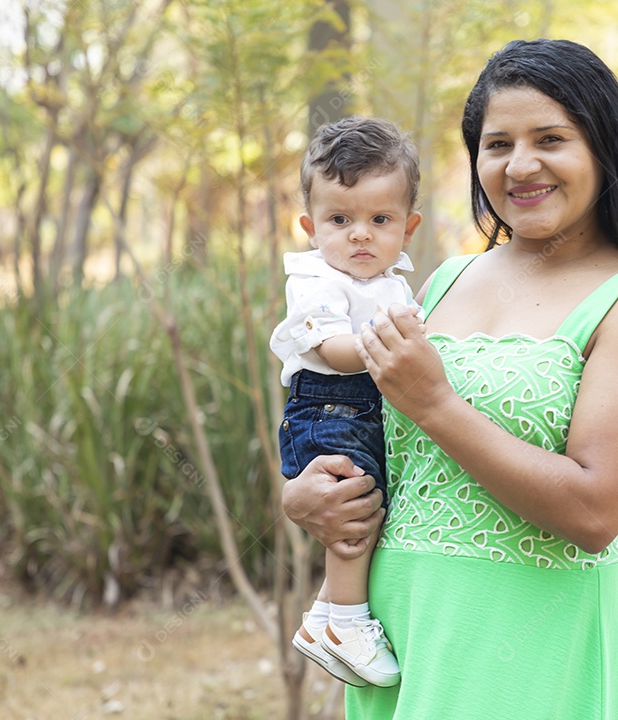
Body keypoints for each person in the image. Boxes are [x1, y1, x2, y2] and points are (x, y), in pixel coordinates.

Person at [284, 39, 618, 718]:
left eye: (550, 139)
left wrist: (436, 404)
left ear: (604, 147)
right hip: (399, 637)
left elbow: (596, 512)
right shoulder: (448, 278)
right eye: (497, 143)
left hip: (524, 649)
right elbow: (392, 453)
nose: (521, 165)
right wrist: (305, 499)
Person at [270, 116, 423, 689]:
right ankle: (347, 622)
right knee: (354, 512)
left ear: (407, 227)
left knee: (370, 503)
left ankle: (327, 614)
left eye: (379, 220)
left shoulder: (393, 284)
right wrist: (394, 348)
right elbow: (333, 351)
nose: (360, 235)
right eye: (340, 219)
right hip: (328, 408)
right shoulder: (316, 280)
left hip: (365, 407)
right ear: (311, 227)